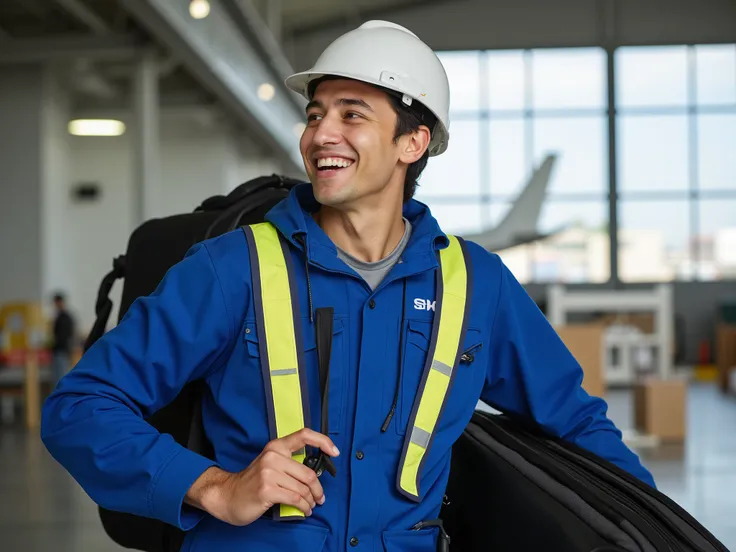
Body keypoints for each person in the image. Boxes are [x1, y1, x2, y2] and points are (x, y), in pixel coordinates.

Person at [41, 20, 655, 551]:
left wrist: (662, 531)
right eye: (315, 114)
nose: (319, 135)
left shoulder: (475, 286)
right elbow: (79, 408)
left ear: (412, 143)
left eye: (351, 114)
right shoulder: (233, 269)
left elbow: (577, 426)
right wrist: (213, 487)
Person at [50, 292, 75, 385]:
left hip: (61, 350)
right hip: (62, 350)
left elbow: (63, 336)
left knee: (60, 377)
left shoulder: (64, 317)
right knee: (59, 376)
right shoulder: (63, 316)